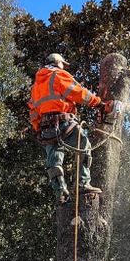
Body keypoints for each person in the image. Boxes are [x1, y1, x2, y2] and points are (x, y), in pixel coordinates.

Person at [28, 53, 111, 203]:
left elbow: (33, 112)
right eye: (62, 64)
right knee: (84, 147)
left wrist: (38, 129)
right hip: (64, 122)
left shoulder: (36, 86)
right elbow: (78, 93)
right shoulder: (58, 75)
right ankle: (82, 183)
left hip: (46, 128)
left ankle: (60, 192)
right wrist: (98, 103)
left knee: (53, 161)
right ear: (57, 62)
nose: (64, 67)